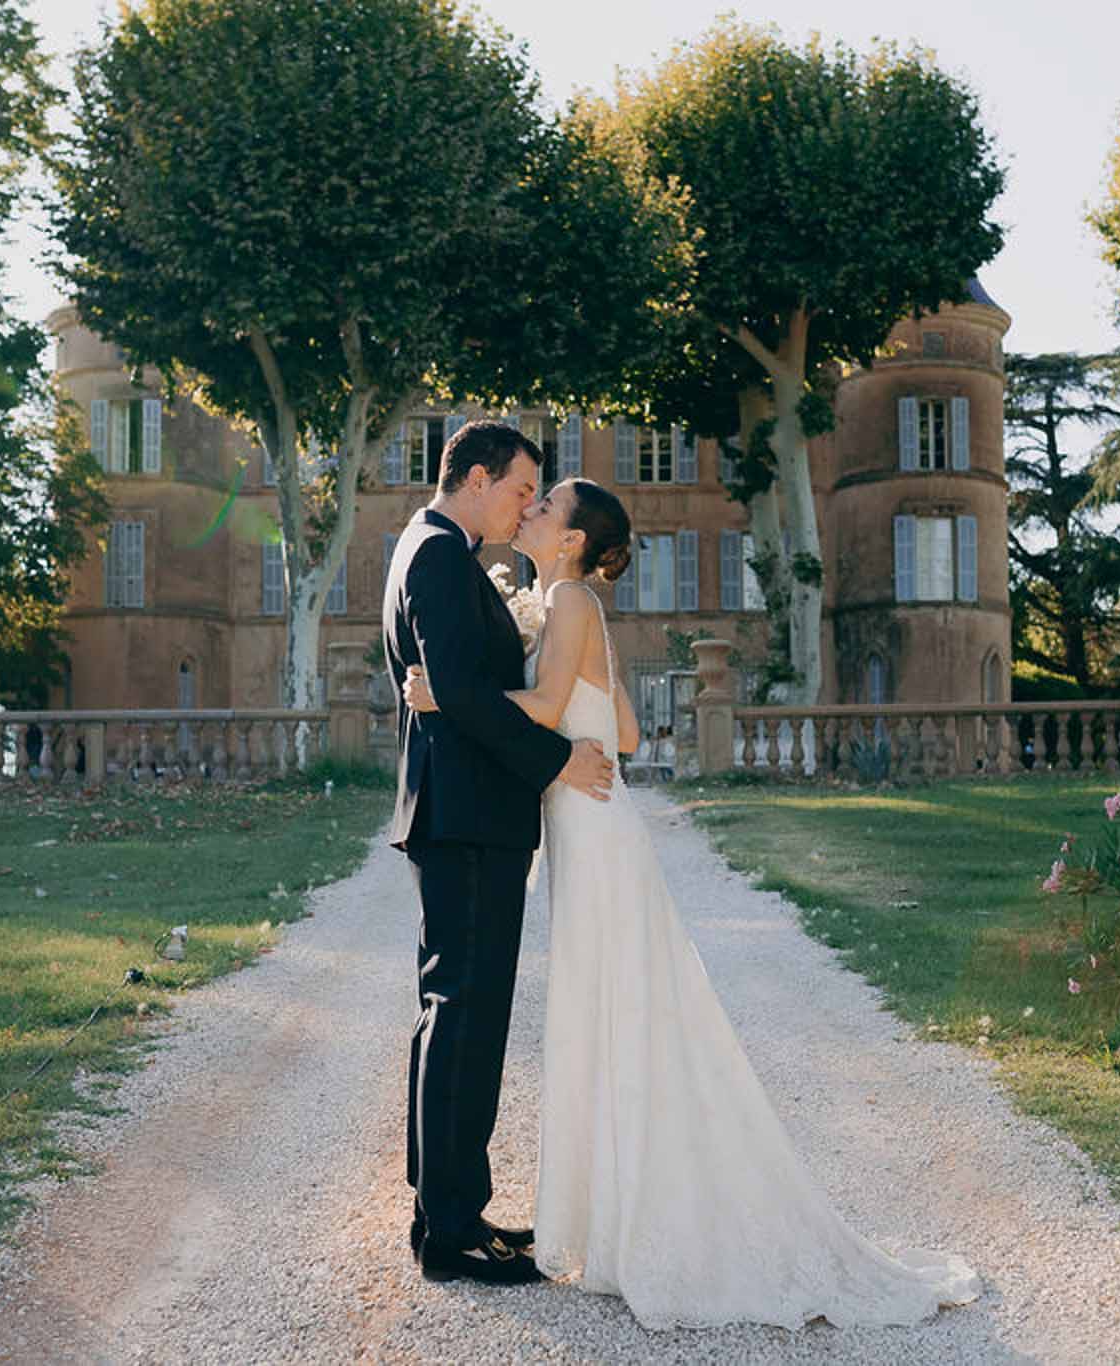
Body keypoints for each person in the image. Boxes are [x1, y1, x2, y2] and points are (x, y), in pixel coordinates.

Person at [403, 477, 981, 1329]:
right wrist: (575, 738)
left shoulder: (564, 601)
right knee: (630, 1010)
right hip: (603, 823)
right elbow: (626, 734)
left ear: (568, 540)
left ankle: (638, 1222)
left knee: (612, 1012)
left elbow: (548, 708)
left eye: (545, 504)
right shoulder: (573, 603)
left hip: (591, 833)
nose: (529, 509)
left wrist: (443, 696)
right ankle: (626, 1211)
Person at [380, 421, 616, 1287]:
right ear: (476, 477)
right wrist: (560, 761)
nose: (525, 507)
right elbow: (469, 700)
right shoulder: (439, 555)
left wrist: (458, 695)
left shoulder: (428, 547)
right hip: (469, 819)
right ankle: (449, 1229)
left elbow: (456, 692)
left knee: (455, 1014)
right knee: (464, 1019)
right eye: (521, 490)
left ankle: (446, 1210)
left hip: (463, 815)